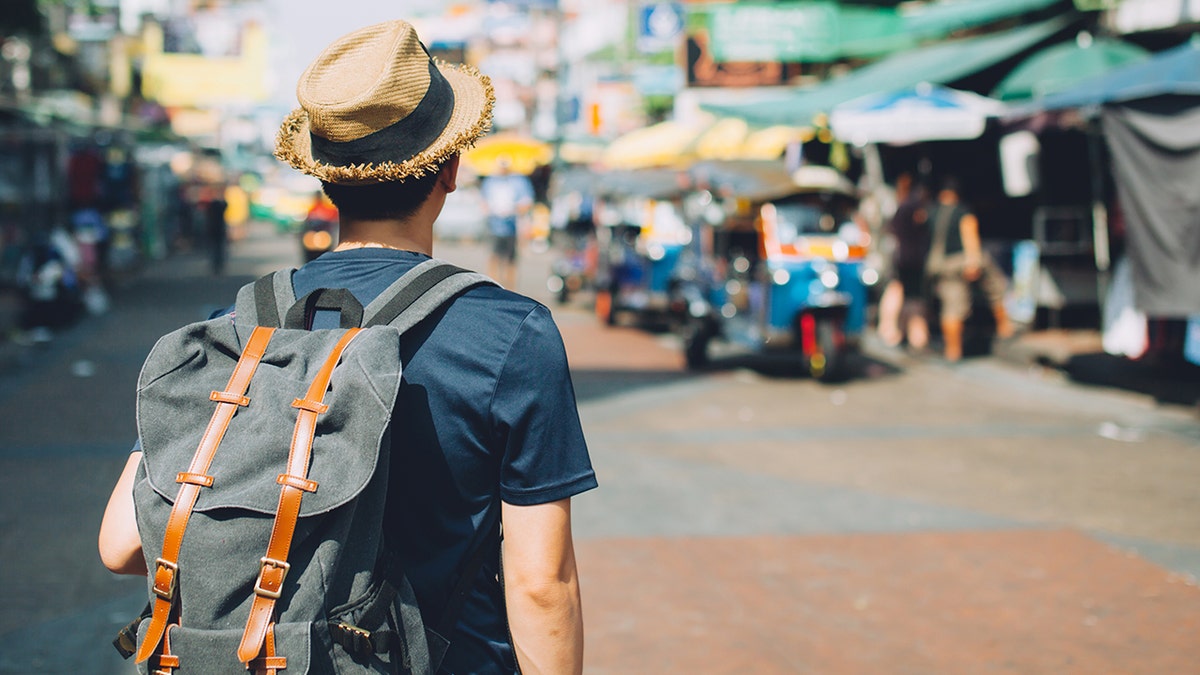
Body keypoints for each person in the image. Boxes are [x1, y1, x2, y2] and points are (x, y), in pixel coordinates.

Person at [98, 19, 596, 675]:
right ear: (450, 168)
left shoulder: (237, 327)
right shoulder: (511, 333)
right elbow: (541, 582)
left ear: (325, 180)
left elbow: (120, 544)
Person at [924, 177, 1014, 362]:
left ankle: (952, 351)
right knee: (995, 286)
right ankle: (1004, 326)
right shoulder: (962, 211)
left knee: (951, 306)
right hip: (960, 261)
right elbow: (970, 235)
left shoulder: (931, 212)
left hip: (939, 266)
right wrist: (973, 261)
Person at [876, 174, 932, 352]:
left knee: (902, 294)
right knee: (909, 296)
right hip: (910, 260)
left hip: (901, 258)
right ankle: (912, 335)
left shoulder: (900, 207)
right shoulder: (912, 207)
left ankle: (898, 331)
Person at [480, 156, 534, 289]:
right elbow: (483, 202)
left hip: (512, 226)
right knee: (494, 257)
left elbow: (527, 202)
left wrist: (513, 209)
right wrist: (493, 209)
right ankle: (492, 288)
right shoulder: (490, 181)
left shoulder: (519, 181)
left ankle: (510, 289)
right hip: (494, 225)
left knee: (511, 260)